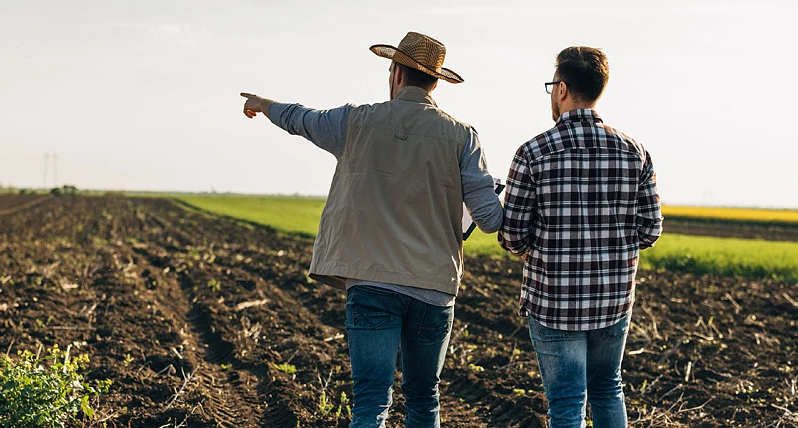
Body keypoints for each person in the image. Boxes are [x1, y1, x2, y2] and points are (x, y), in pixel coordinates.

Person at [240, 31, 503, 428]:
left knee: (370, 403)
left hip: (371, 282)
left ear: (396, 73)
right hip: (434, 287)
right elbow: (490, 219)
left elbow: (300, 118)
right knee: (423, 400)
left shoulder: (355, 120)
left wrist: (263, 103)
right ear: (435, 82)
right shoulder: (463, 136)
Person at [498, 46, 663, 428]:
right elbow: (650, 230)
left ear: (561, 88)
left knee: (567, 403)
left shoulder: (532, 153)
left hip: (553, 303)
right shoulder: (635, 152)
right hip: (613, 300)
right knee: (608, 388)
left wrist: (531, 247)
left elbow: (512, 236)